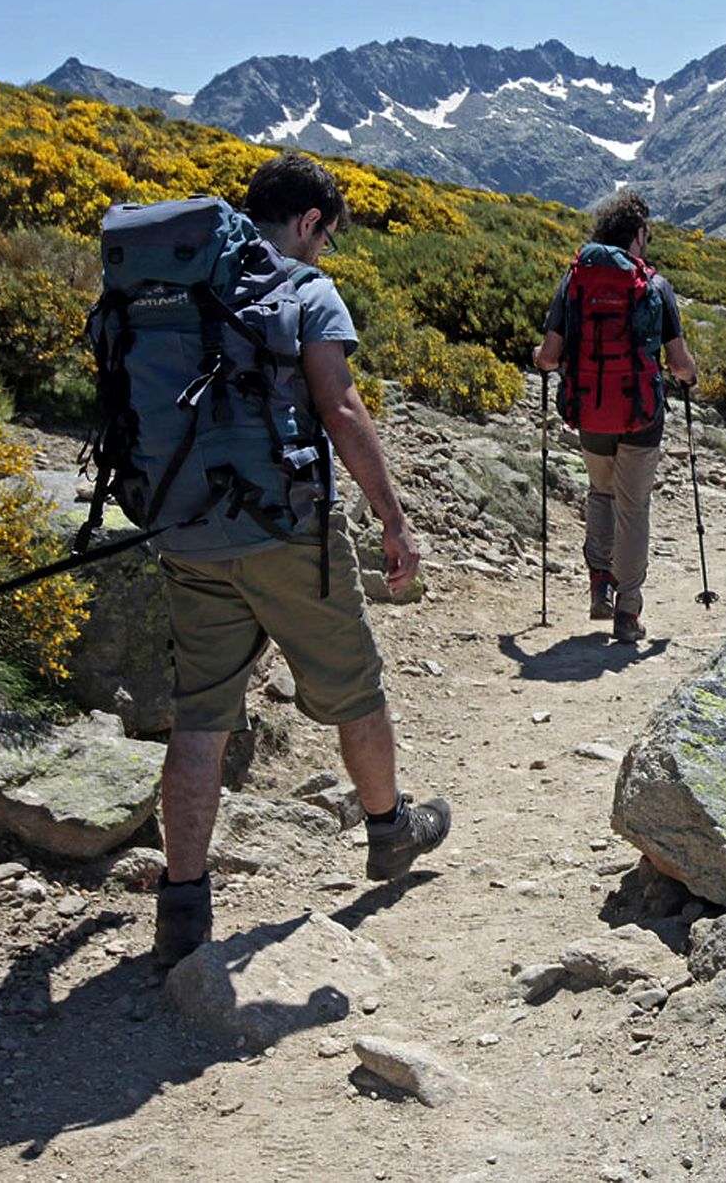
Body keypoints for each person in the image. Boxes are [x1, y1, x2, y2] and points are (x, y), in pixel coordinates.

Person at [153, 152, 451, 969]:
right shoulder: (305, 290)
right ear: (310, 221)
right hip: (284, 531)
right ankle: (390, 832)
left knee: (201, 715)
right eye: (325, 236)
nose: (323, 251)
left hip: (186, 528)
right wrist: (394, 520)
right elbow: (340, 409)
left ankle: (182, 908)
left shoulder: (174, 287)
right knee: (354, 683)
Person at [532, 191, 697, 644]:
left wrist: (540, 358)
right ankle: (628, 610)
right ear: (638, 235)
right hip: (641, 415)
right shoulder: (654, 286)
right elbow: (680, 364)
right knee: (633, 506)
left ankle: (599, 586)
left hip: (591, 410)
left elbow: (549, 356)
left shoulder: (575, 281)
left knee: (601, 492)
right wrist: (690, 376)